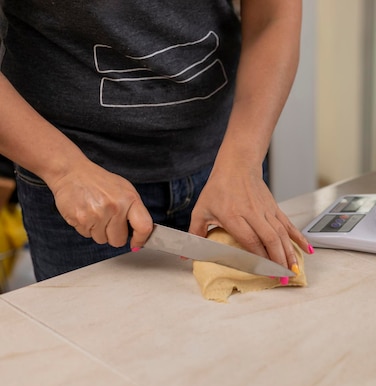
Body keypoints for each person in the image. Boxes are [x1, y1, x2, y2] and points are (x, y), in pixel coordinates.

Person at [0, 0, 312, 282]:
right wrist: (64, 171)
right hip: (83, 189)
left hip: (226, 162)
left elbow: (274, 16)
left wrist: (242, 163)